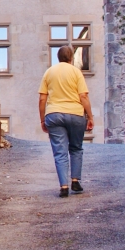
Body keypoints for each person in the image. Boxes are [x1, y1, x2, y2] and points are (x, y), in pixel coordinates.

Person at [38, 45, 94, 196]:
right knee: (76, 147)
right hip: (75, 114)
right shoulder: (76, 72)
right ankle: (75, 180)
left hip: (54, 114)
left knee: (60, 152)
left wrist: (43, 119)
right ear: (71, 58)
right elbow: (83, 96)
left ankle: (63, 187)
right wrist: (90, 116)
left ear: (58, 58)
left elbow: (43, 98)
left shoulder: (49, 72)